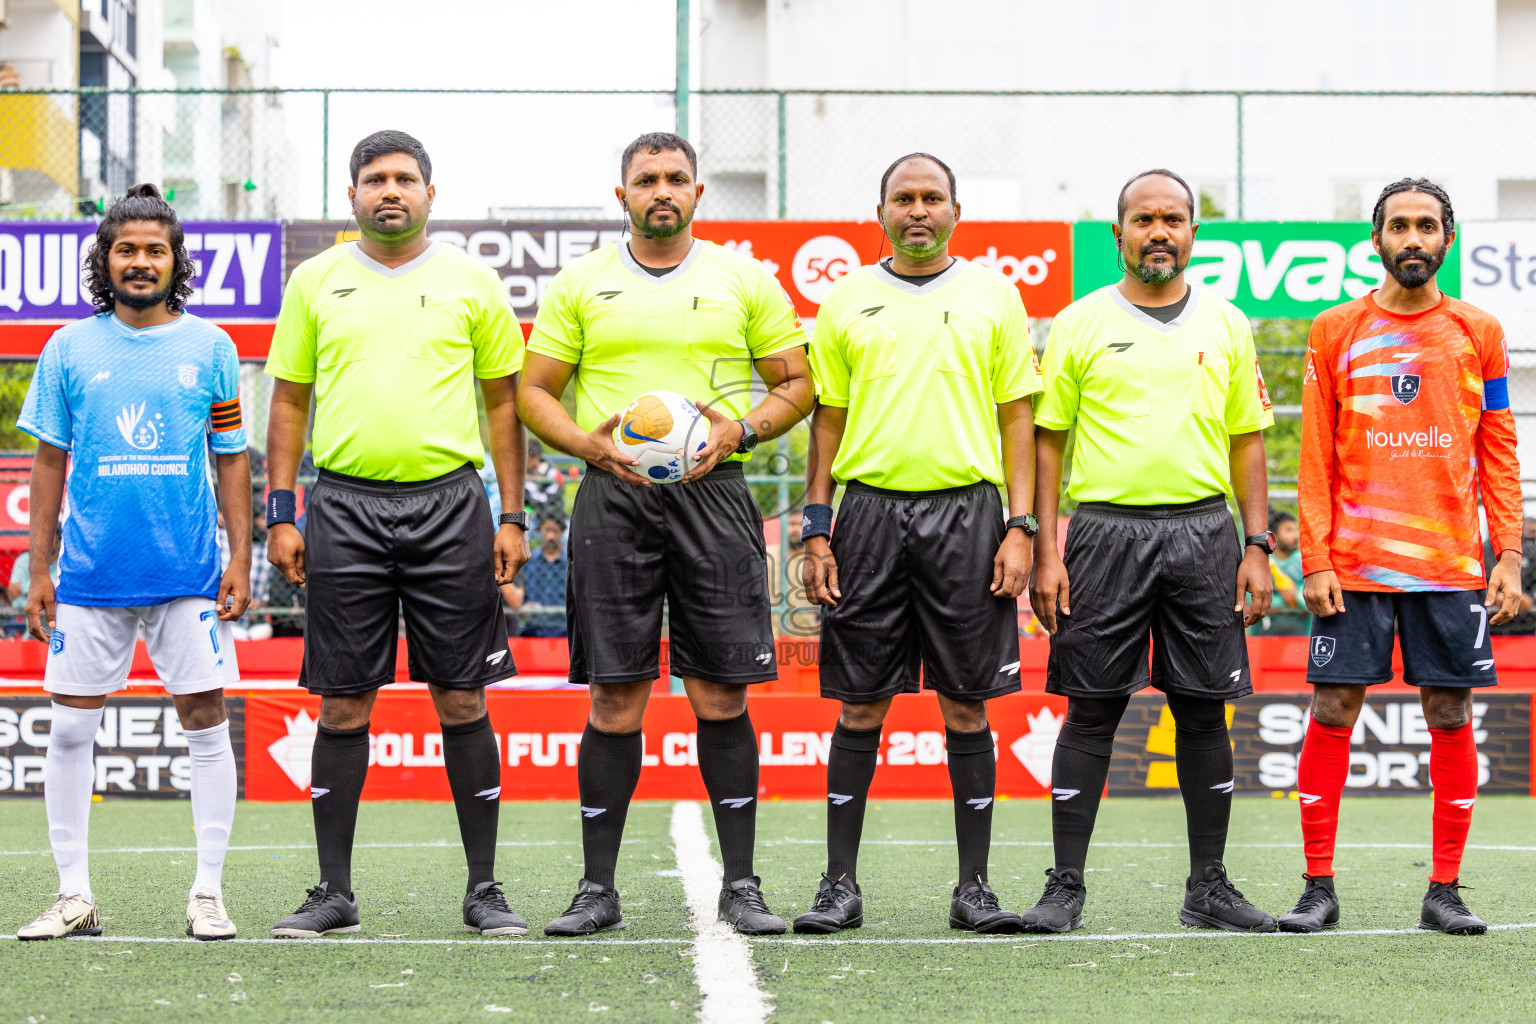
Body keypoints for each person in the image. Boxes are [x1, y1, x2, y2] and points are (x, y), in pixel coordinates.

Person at [518, 131, 813, 936]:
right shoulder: (581, 282)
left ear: (697, 192)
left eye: (676, 178)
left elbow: (797, 383)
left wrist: (741, 429)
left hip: (714, 495)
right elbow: (534, 391)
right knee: (615, 695)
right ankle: (596, 890)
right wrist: (586, 445)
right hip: (613, 497)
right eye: (646, 179)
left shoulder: (743, 277)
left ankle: (741, 885)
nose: (662, 190)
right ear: (622, 195)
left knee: (721, 691)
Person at [263, 131, 531, 939]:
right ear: (351, 195)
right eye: (374, 179)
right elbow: (288, 402)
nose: (390, 190)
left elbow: (504, 403)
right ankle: (333, 892)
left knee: (462, 695)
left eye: (404, 178)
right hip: (344, 507)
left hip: (452, 506)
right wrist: (281, 512)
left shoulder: (471, 281)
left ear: (429, 194)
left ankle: (484, 890)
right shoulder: (315, 281)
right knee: (343, 701)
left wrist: (511, 514)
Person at [792, 153, 1041, 935]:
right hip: (867, 515)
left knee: (966, 704)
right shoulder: (844, 299)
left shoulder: (995, 295)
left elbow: (1018, 417)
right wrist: (817, 525)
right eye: (903, 198)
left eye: (933, 197)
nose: (918, 210)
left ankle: (975, 889)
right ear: (881, 214)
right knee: (860, 704)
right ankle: (839, 885)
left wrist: (1021, 526)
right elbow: (827, 420)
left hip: (970, 515)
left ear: (956, 212)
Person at [1025, 168, 1278, 934]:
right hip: (1104, 534)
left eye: (1173, 219)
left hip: (1205, 533)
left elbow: (1247, 439)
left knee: (1203, 713)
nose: (1159, 232)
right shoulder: (1078, 323)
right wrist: (1047, 550)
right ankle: (1065, 888)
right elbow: (1048, 442)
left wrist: (1257, 543)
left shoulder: (1227, 323)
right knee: (1092, 710)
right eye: (1144, 220)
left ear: (1194, 232)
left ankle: (1209, 888)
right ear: (1120, 234)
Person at [1281, 178, 1522, 936]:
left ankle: (1443, 891)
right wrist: (1315, 557)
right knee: (1332, 709)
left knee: (1449, 712)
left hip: (1449, 566)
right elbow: (1314, 453)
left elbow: (1499, 447)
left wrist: (1508, 552)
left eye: (1426, 226)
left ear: (1447, 238)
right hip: (1352, 564)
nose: (1412, 238)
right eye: (1398, 226)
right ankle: (1318, 887)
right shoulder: (1335, 329)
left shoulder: (1479, 331)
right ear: (1376, 238)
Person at [13, 184, 251, 940]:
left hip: (189, 573)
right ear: (105, 260)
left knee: (205, 722)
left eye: (155, 249)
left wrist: (240, 556)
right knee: (69, 731)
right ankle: (73, 896)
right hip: (89, 577)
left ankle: (208, 893)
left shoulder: (212, 348)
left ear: (176, 261)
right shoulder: (67, 347)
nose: (141, 261)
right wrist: (40, 567)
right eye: (126, 249)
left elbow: (231, 458)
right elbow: (48, 462)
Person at [506, 515, 569, 637]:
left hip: (564, 628)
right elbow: (519, 592)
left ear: (561, 532)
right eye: (547, 530)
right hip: (533, 628)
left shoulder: (570, 562)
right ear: (540, 531)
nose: (551, 536)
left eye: (555, 531)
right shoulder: (529, 560)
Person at [1250, 510, 1308, 636]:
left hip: (1301, 634)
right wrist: (1288, 601)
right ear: (1274, 535)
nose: (1296, 536)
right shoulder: (1261, 562)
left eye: (1296, 530)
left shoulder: (1303, 561)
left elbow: (1310, 598)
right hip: (1264, 635)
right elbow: (1251, 600)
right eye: (1288, 530)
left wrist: (1294, 595)